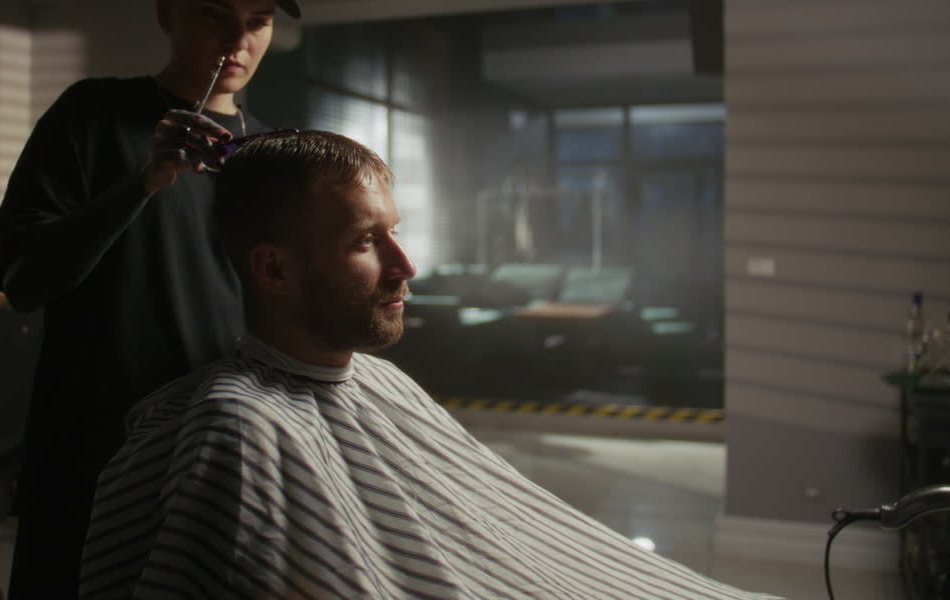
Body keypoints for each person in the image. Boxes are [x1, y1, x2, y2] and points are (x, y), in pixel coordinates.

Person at [79, 130, 780, 600]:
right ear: (274, 268)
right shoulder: (240, 429)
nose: (405, 267)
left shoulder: (385, 383)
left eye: (396, 234)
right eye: (365, 241)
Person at [0, 0, 301, 598]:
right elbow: (22, 279)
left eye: (258, 21)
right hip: (94, 452)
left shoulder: (271, 156)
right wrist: (142, 182)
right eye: (216, 15)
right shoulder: (92, 116)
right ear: (166, 9)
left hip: (221, 447)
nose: (238, 41)